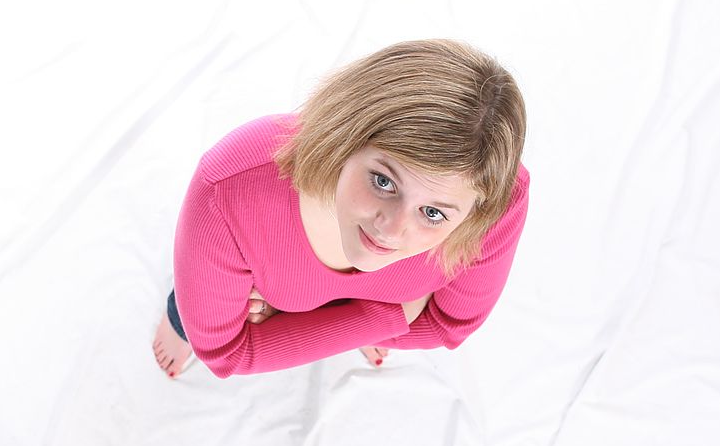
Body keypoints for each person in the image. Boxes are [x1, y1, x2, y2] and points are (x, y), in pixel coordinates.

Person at [152, 38, 530, 379]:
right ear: (346, 137)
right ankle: (178, 317)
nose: (390, 230)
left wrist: (347, 322)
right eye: (384, 182)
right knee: (194, 303)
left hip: (287, 293)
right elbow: (224, 354)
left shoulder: (495, 202)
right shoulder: (231, 187)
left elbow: (448, 326)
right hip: (243, 247)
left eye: (433, 213)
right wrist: (398, 314)